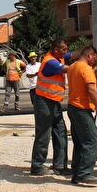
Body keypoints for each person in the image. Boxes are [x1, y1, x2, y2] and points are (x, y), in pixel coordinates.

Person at [67, 45, 97, 186]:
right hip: (82, 108)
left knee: (80, 142)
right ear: (90, 55)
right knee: (92, 141)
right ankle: (84, 174)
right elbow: (91, 90)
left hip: (72, 107)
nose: (94, 61)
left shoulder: (73, 67)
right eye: (94, 58)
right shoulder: (86, 69)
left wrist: (94, 67)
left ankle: (77, 173)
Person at [30, 38, 72, 176]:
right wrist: (88, 64)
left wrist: (91, 46)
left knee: (60, 132)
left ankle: (60, 165)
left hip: (54, 101)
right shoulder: (50, 62)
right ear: (56, 50)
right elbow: (71, 69)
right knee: (44, 133)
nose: (66, 52)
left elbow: (75, 54)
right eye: (64, 49)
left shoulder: (59, 56)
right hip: (44, 101)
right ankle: (37, 166)